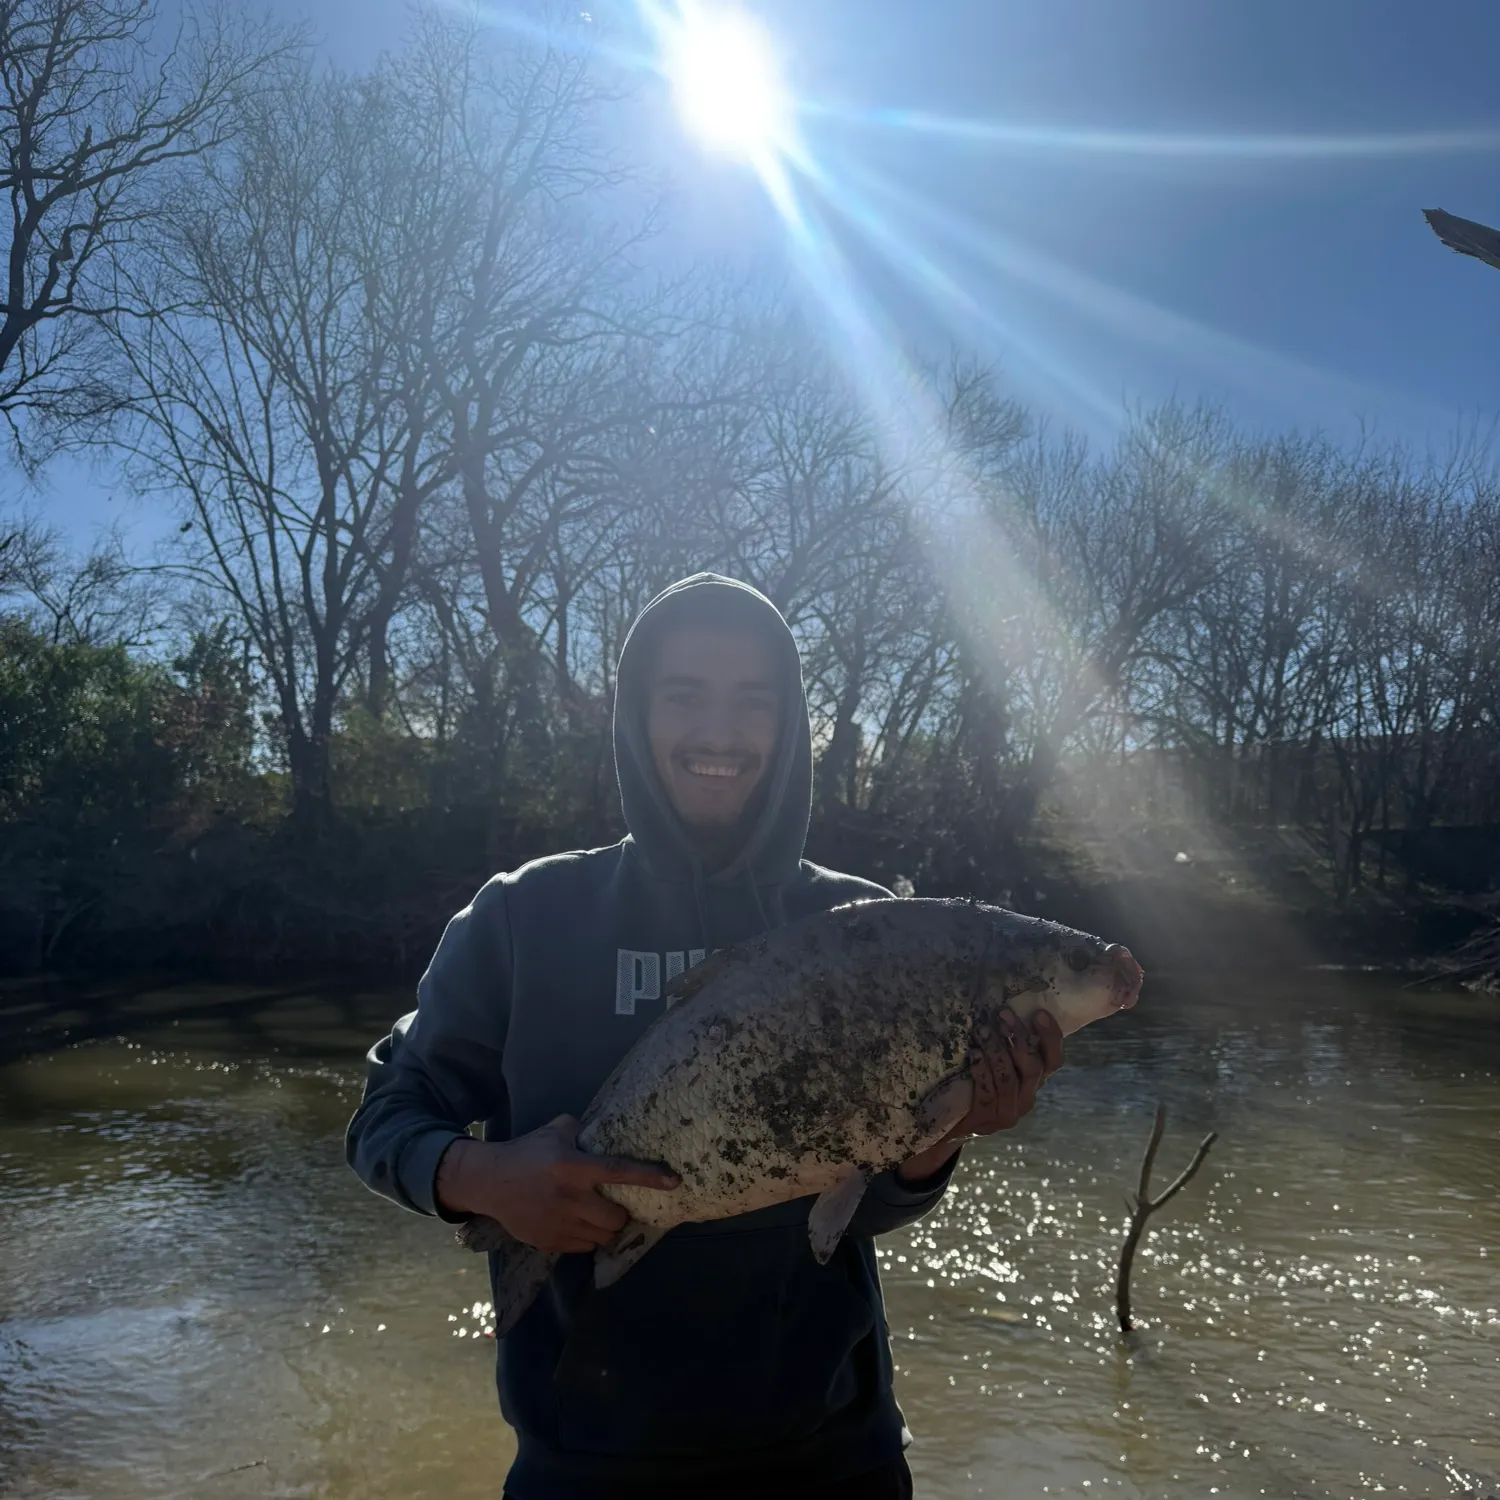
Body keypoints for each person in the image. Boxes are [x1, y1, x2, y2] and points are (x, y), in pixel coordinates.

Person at [345, 573, 1063, 1500]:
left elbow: (858, 1210)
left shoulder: (869, 927)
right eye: (684, 697)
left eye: (750, 703)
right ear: (636, 719)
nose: (718, 733)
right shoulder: (524, 917)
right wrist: (481, 1178)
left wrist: (940, 1143)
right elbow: (384, 1120)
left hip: (835, 1461)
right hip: (585, 1469)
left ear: (788, 727)